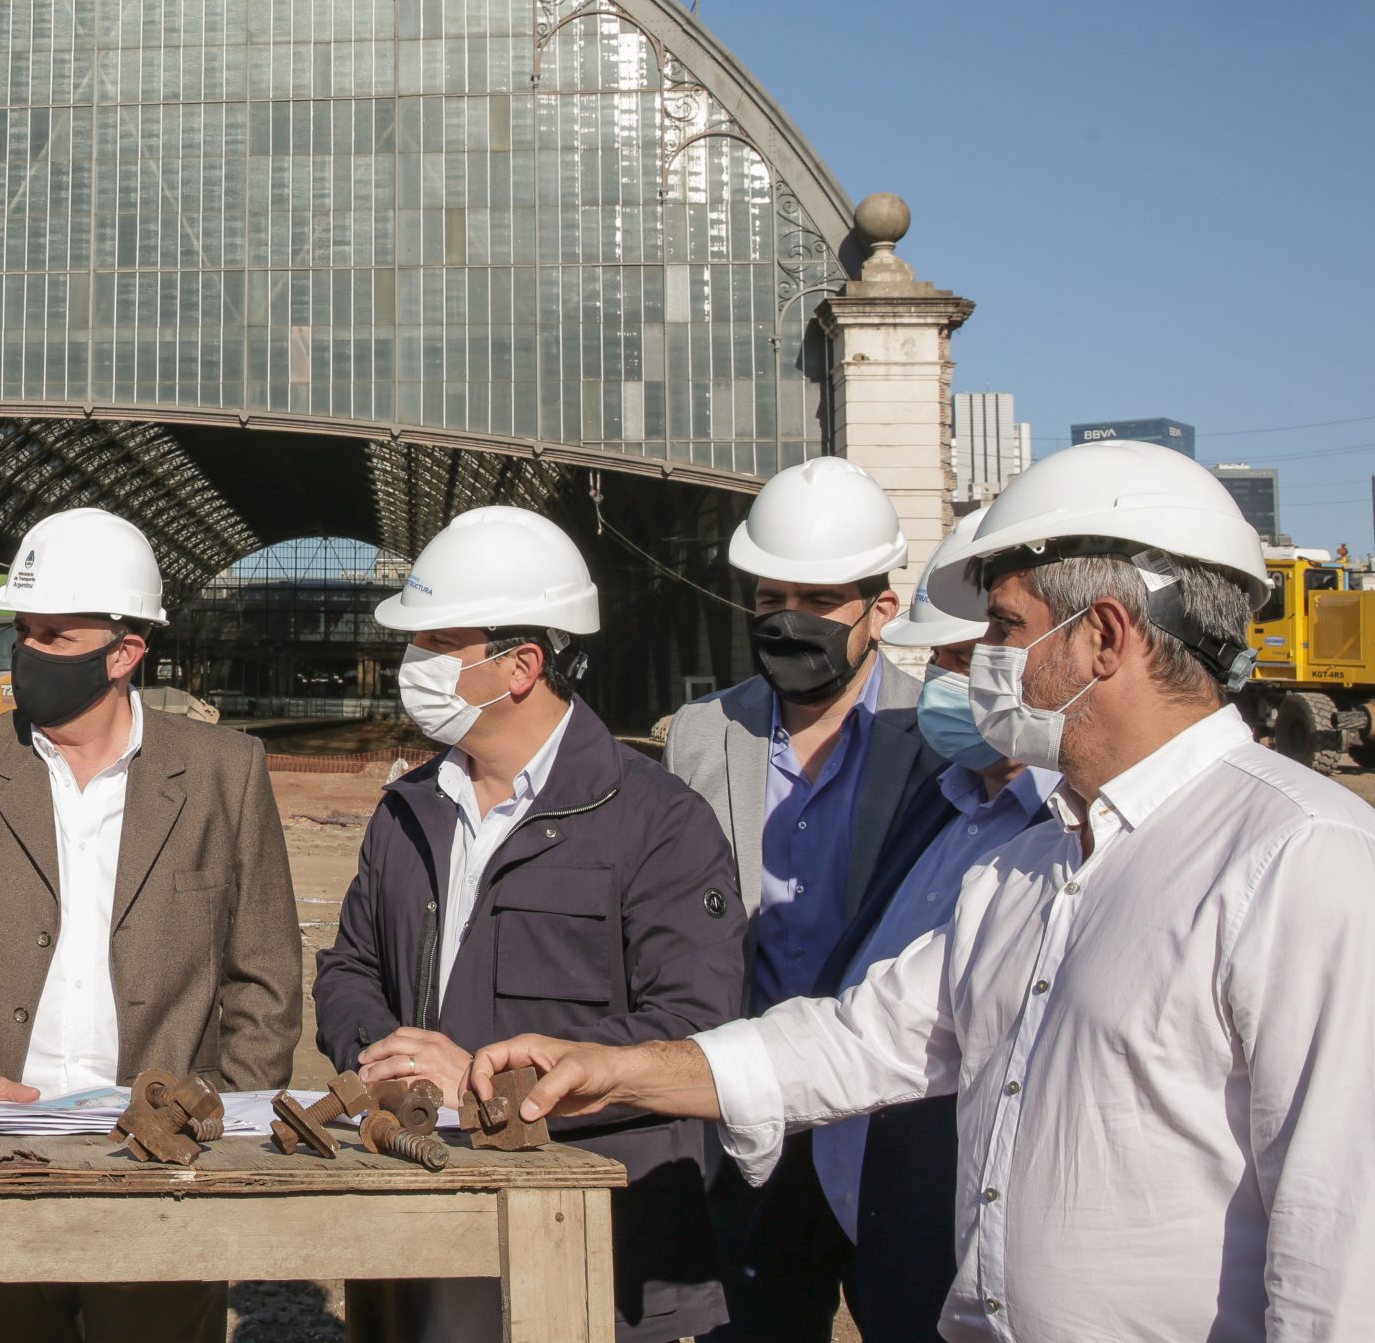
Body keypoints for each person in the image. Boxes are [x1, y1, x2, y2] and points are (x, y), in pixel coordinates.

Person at [471, 439, 1375, 1343]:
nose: (980, 659)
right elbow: (864, 1039)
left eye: (1005, 630)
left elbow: (1342, 1245)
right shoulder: (1028, 867)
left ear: (1103, 635)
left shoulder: (1301, 859)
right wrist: (624, 1069)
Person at [0, 507, 301, 1343]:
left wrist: (223, 1107)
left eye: (55, 637)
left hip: (165, 1150)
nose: (28, 656)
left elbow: (266, 970)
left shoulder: (223, 771)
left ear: (126, 651)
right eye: (21, 633)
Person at [314, 506, 744, 1343]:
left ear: (521, 666)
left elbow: (695, 1030)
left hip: (590, 1242)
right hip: (421, 1219)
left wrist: (479, 1079)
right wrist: (388, 1059)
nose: (414, 665)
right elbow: (348, 967)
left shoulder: (657, 822)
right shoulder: (409, 809)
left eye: (438, 644)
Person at [731, 512, 1060, 1341]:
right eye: (944, 660)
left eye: (969, 657)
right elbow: (882, 1015)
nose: (953, 684)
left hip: (944, 1200)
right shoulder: (949, 810)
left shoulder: (1062, 839)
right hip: (852, 1184)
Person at [659, 455, 942, 1334]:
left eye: (819, 604)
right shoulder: (706, 735)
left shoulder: (936, 741)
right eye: (771, 599)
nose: (789, 622)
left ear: (879, 612)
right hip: (754, 1114)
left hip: (893, 1119)